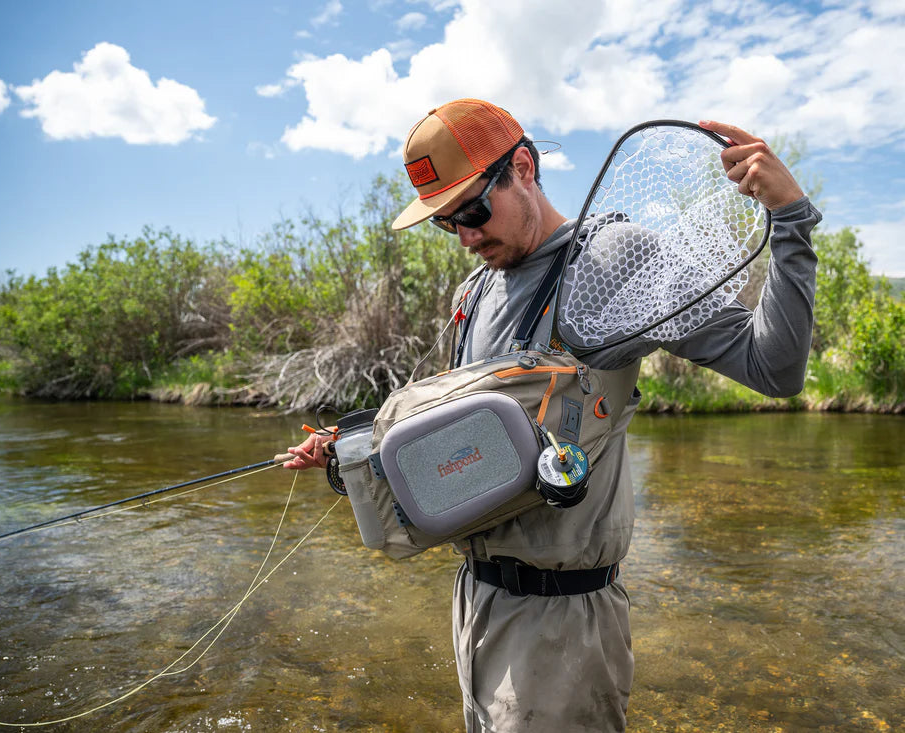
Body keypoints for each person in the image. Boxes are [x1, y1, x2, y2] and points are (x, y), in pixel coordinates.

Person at [284, 98, 821, 732]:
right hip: (474, 602)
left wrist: (790, 219)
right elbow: (461, 424)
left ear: (524, 167)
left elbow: (773, 367)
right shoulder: (474, 291)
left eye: (475, 211)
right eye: (446, 223)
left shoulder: (616, 261)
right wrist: (352, 448)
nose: (466, 236)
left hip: (563, 622)